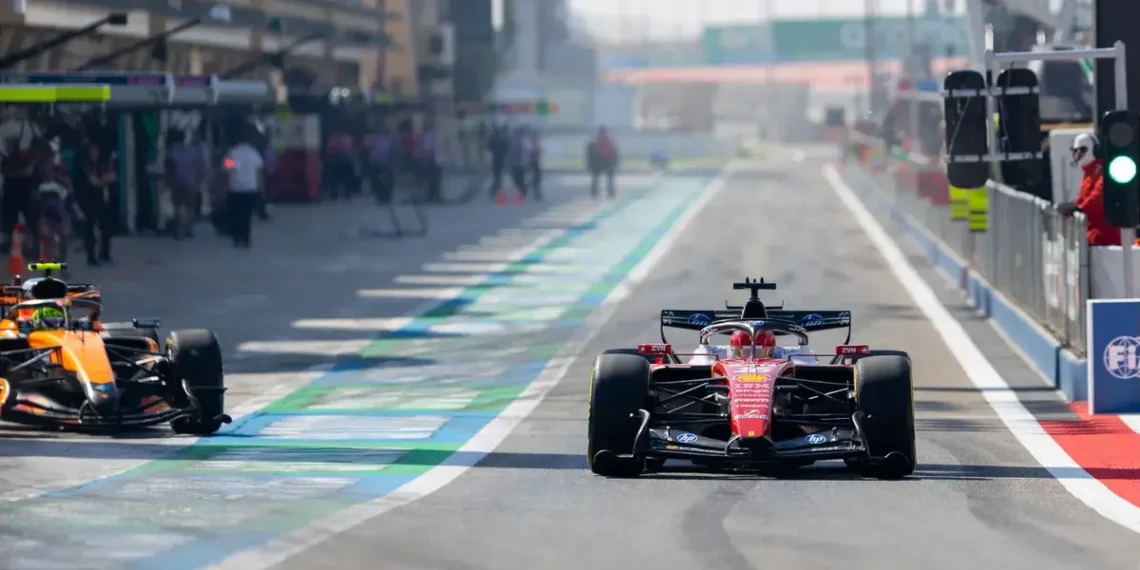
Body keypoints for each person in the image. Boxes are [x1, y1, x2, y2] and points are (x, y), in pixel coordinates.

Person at [1058, 132, 1121, 246]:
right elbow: (1083, 197)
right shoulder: (1088, 174)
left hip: (1107, 234)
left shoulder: (1103, 171)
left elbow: (1098, 196)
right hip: (1095, 233)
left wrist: (1080, 208)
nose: (1078, 155)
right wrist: (1071, 206)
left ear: (1095, 150)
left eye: (1082, 150)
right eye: (1076, 151)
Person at [74, 140, 116, 266]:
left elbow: (112, 176)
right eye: (92, 151)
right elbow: (95, 181)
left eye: (96, 151)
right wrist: (105, 179)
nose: (95, 153)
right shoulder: (85, 166)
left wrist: (105, 179)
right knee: (90, 229)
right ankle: (91, 257)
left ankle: (105, 253)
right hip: (89, 201)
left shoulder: (100, 165)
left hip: (102, 199)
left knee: (106, 228)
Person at [223, 130, 264, 248]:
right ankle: (246, 237)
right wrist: (259, 186)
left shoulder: (232, 152)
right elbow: (259, 171)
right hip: (250, 187)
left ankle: (237, 237)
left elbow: (227, 169)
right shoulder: (254, 153)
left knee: (236, 213)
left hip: (235, 187)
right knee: (247, 214)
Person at [165, 131, 203, 240]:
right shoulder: (192, 151)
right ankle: (188, 229)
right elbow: (198, 167)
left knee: (177, 207)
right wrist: (199, 182)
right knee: (190, 207)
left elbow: (169, 169)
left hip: (177, 182)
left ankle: (178, 229)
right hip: (191, 183)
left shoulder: (171, 152)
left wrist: (167, 183)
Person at [587, 126, 618, 198]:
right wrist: (615, 164)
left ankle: (594, 193)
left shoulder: (595, 140)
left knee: (595, 179)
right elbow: (615, 153)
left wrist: (590, 165)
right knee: (610, 179)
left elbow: (590, 154)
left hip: (598, 162)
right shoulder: (610, 140)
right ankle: (611, 192)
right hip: (608, 162)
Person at [524, 125, 543, 201]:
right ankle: (529, 189)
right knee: (535, 177)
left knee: (536, 177)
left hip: (534, 161)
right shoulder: (530, 141)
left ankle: (535, 191)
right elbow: (529, 151)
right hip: (532, 161)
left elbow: (539, 151)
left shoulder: (534, 141)